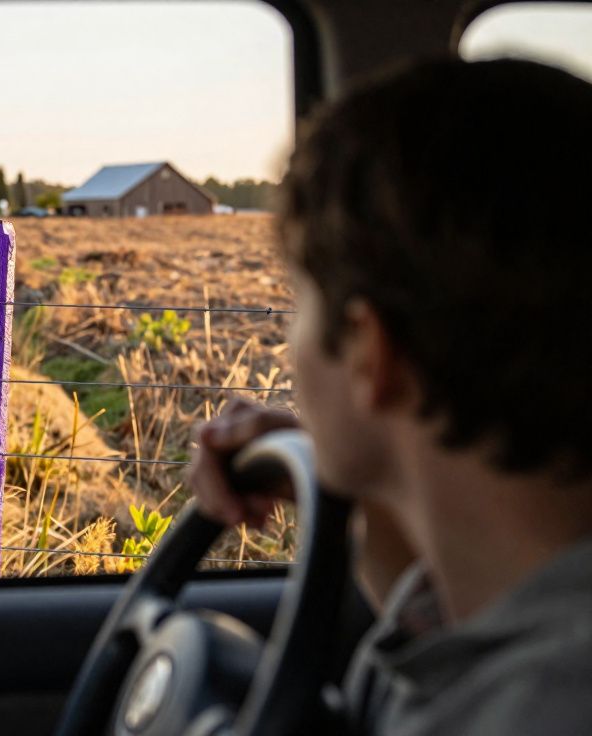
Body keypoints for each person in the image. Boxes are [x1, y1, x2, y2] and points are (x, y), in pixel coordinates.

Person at [188, 58, 592, 736]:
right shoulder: (522, 618)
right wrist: (363, 472)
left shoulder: (533, 709)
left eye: (298, 306)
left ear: (370, 352)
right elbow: (422, 607)